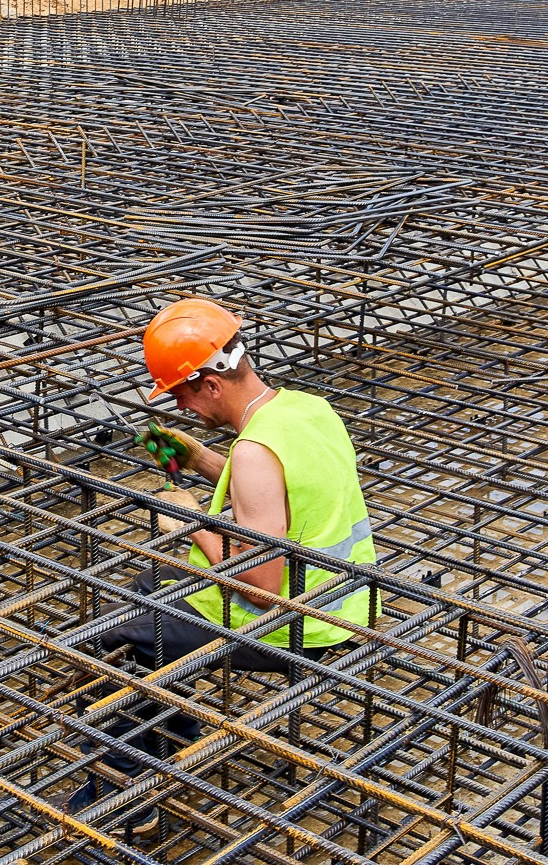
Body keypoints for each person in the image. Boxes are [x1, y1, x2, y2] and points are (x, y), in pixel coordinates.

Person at [62, 298, 376, 833]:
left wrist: (187, 522)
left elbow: (262, 587)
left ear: (210, 383)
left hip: (298, 629)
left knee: (108, 639)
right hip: (346, 604)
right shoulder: (305, 409)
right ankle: (168, 724)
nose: (181, 409)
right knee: (149, 587)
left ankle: (126, 794)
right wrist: (200, 460)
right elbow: (282, 493)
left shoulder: (255, 451)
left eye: (182, 394)